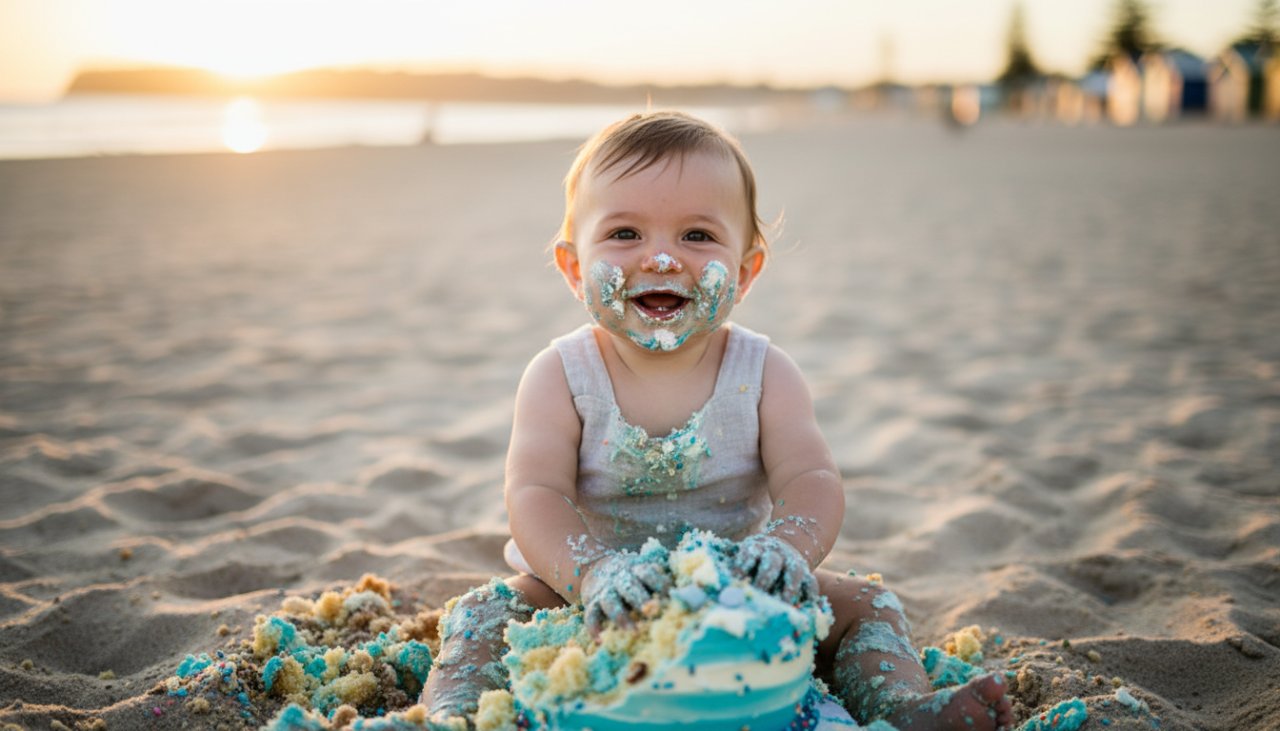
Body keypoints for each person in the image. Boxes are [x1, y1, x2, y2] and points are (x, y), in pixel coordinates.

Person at [421, 111, 1014, 730]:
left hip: (741, 590)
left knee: (869, 604)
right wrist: (593, 573)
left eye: (697, 236)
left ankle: (898, 708)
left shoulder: (765, 373)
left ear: (745, 271)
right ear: (573, 268)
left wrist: (784, 549)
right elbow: (535, 494)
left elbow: (811, 478)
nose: (661, 258)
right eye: (624, 233)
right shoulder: (560, 376)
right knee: (482, 615)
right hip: (587, 598)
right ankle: (454, 719)